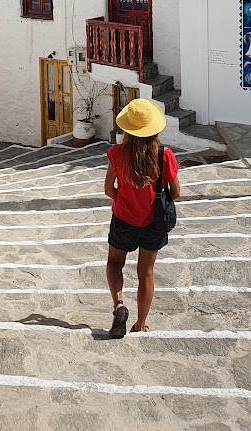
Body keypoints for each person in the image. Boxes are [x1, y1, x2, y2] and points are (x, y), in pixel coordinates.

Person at [104, 98, 180, 337]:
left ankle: (119, 305)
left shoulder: (116, 154)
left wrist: (123, 200)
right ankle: (141, 323)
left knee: (115, 264)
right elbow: (176, 192)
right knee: (145, 273)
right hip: (154, 223)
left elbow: (108, 189)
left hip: (123, 220)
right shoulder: (164, 155)